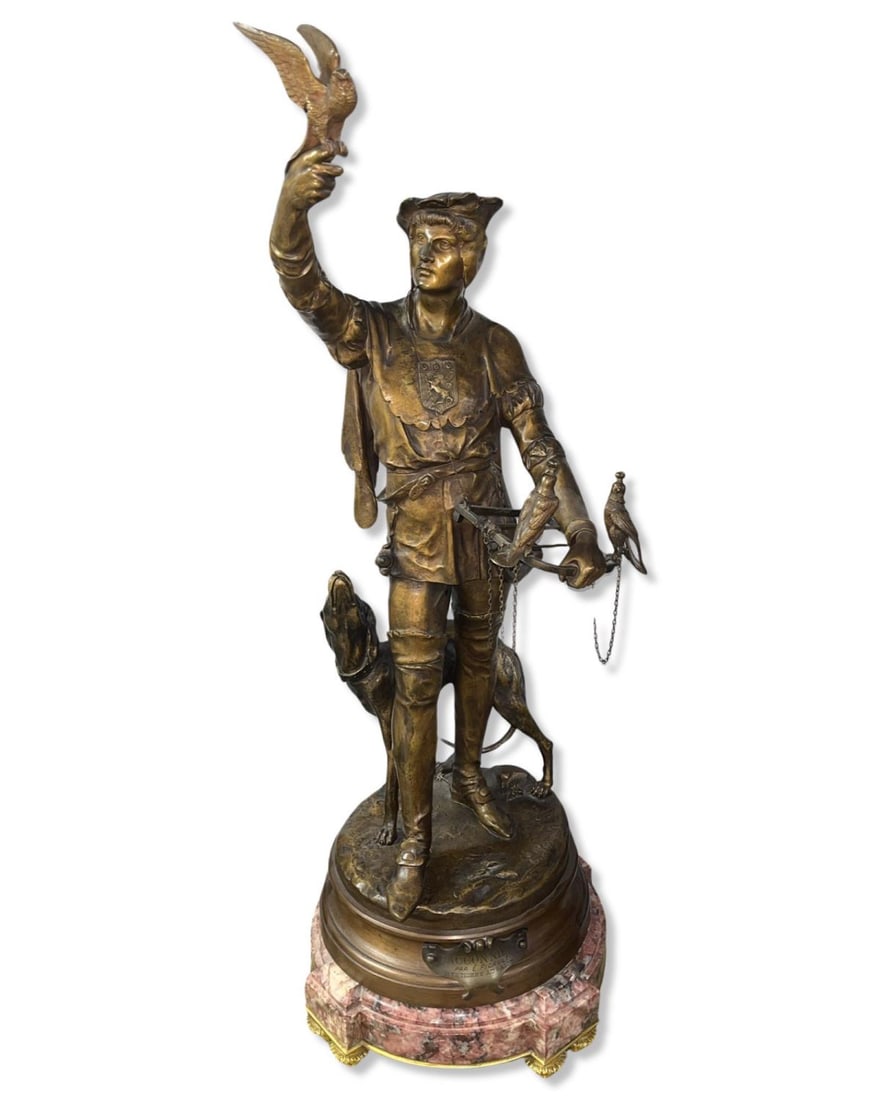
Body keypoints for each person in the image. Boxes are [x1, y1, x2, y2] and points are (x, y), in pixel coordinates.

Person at [270, 141, 607, 920]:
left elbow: (538, 446)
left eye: (446, 241)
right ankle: (415, 847)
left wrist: (581, 529)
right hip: (416, 544)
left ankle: (475, 777)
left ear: (475, 257)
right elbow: (299, 278)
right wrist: (293, 203)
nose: (427, 252)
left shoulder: (495, 346)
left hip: (489, 536)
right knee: (415, 688)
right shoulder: (372, 333)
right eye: (419, 239)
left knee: (482, 661)